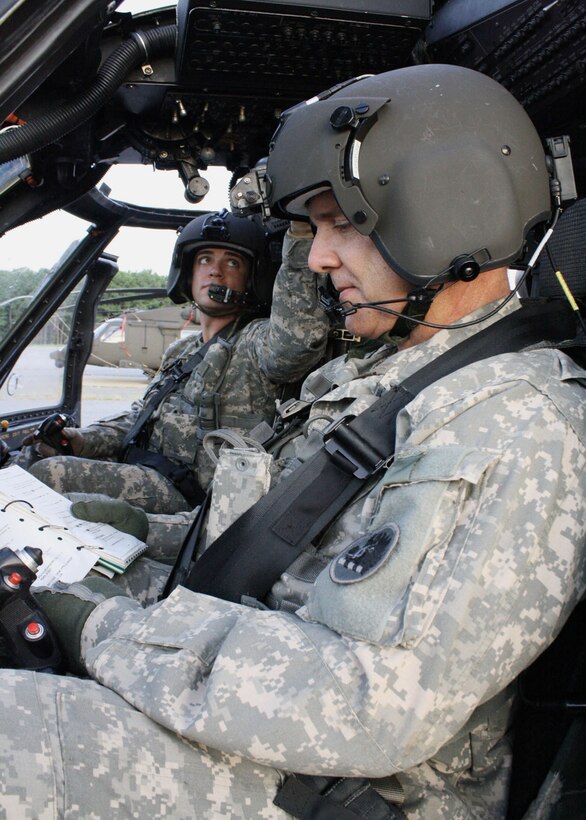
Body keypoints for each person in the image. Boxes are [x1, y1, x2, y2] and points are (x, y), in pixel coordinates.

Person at [0, 64, 584, 819]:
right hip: (263, 717)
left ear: (445, 211)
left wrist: (109, 630)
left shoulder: (519, 423)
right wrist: (141, 540)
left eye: (341, 223)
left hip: (346, 789)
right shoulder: (385, 377)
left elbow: (376, 706)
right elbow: (281, 548)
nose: (315, 259)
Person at [16, 209, 328, 513]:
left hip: (192, 496)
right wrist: (83, 439)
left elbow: (295, 345)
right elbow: (143, 416)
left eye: (232, 262)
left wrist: (299, 232)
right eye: (205, 259)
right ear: (188, 274)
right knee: (30, 462)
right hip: (147, 470)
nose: (215, 271)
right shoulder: (181, 351)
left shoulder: (255, 341)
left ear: (251, 279)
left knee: (51, 473)